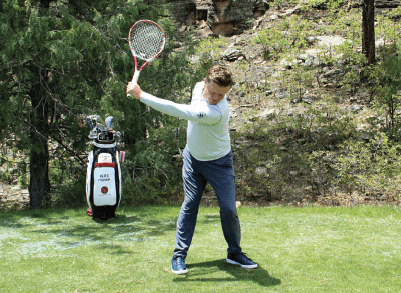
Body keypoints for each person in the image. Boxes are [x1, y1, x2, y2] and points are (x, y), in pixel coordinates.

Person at [126, 65, 257, 275]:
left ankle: (234, 253)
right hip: (193, 160)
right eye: (212, 91)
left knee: (229, 209)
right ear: (205, 83)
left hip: (219, 163)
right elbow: (194, 99)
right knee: (190, 204)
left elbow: (178, 110)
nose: (215, 97)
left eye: (221, 95)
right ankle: (178, 256)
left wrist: (141, 95)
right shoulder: (198, 88)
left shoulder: (214, 112)